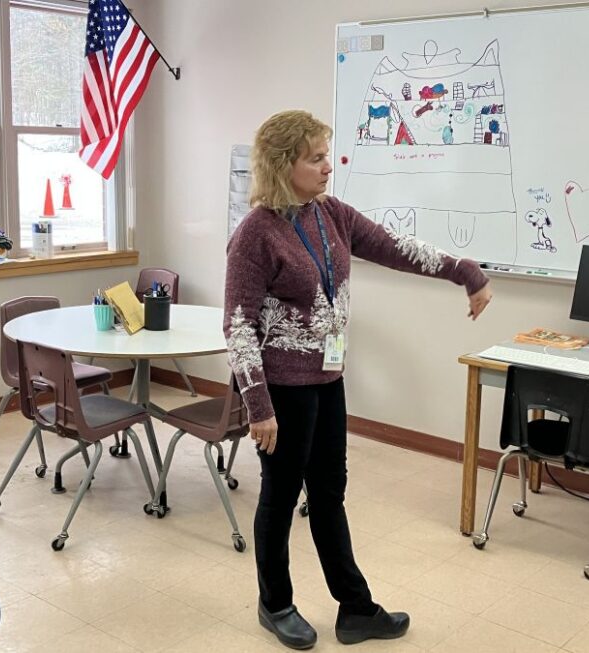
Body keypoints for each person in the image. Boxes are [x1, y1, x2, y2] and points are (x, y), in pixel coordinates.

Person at [224, 110, 492, 649]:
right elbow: (237, 327)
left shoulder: (330, 214)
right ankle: (274, 603)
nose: (329, 166)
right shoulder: (255, 234)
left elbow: (397, 247)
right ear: (283, 165)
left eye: (328, 154)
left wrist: (464, 270)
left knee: (329, 493)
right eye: (316, 158)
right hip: (282, 391)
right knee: (279, 497)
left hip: (327, 379)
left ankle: (356, 609)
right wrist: (258, 406)